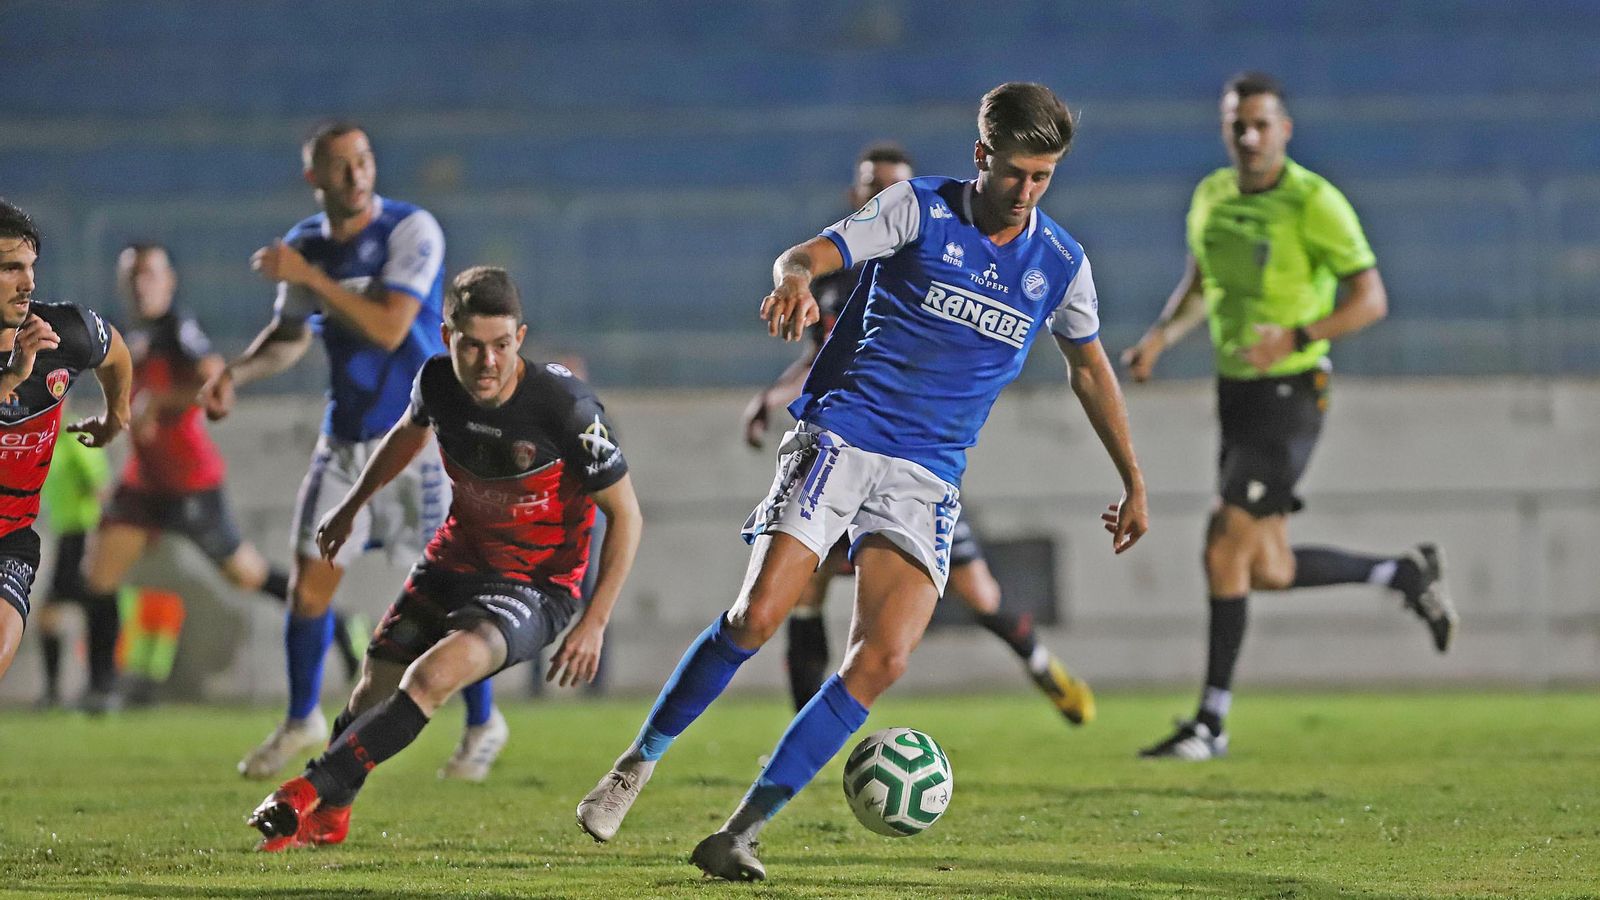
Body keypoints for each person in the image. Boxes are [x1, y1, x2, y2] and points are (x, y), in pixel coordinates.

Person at [577, 83, 1148, 882]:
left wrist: (1133, 477)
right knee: (757, 615)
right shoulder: (917, 209)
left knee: (882, 660)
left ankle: (737, 833)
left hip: (928, 475)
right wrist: (793, 281)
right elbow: (807, 254)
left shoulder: (1059, 264)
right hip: (845, 436)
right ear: (982, 155)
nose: (1026, 192)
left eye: (1043, 177)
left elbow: (1089, 368)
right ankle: (633, 767)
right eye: (1016, 172)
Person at [245, 266, 642, 851]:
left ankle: (304, 794)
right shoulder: (435, 382)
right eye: (472, 346)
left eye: (502, 346)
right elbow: (409, 431)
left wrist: (595, 620)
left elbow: (628, 515)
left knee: (428, 679)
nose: (488, 362)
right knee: (368, 696)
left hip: (536, 585)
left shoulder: (568, 408)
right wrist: (353, 505)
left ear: (521, 339)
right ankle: (332, 818)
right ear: (446, 335)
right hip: (453, 560)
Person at [1121, 72, 1457, 761]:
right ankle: (1403, 575)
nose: (1248, 136)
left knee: (1222, 544)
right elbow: (1201, 282)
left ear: (1284, 130)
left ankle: (1210, 722)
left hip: (1292, 391)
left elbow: (1371, 299)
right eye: (1236, 124)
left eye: (1260, 124)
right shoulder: (1211, 195)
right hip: (1237, 393)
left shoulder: (1313, 201)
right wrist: (1159, 337)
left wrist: (1299, 337)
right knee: (1264, 566)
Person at [743, 143, 1094, 724]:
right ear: (853, 195)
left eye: (891, 186)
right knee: (804, 593)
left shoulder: (922, 249)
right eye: (870, 185)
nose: (879, 195)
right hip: (849, 443)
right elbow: (821, 357)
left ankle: (1039, 664)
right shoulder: (831, 277)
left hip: (918, 460)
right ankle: (802, 732)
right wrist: (772, 397)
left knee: (981, 595)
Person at [198, 122, 504, 781]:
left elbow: (392, 325)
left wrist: (309, 277)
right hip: (345, 439)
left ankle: (483, 723)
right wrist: (235, 373)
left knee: (452, 590)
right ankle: (302, 716)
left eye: (363, 160)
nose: (356, 174)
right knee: (309, 581)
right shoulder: (307, 244)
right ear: (315, 178)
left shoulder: (410, 229)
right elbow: (289, 336)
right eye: (340, 166)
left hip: (423, 437)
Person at [74, 242, 361, 712]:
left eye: (149, 275)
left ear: (169, 282)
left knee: (245, 576)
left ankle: (340, 625)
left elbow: (211, 378)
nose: (140, 285)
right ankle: (101, 687)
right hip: (144, 482)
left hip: (190, 483)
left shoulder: (179, 329)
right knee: (98, 575)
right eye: (132, 276)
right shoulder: (133, 332)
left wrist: (159, 402)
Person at [0, 198, 133, 686]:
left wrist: (117, 414)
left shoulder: (63, 331)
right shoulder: (25, 358)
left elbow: (114, 352)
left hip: (8, 537)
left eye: (30, 266)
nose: (28, 282)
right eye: (11, 268)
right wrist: (12, 378)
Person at [32, 428, 111, 708]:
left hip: (82, 533)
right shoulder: (48, 439)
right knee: (58, 611)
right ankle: (67, 690)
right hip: (67, 534)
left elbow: (99, 487)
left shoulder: (75, 437)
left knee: (90, 604)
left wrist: (97, 537)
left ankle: (99, 685)